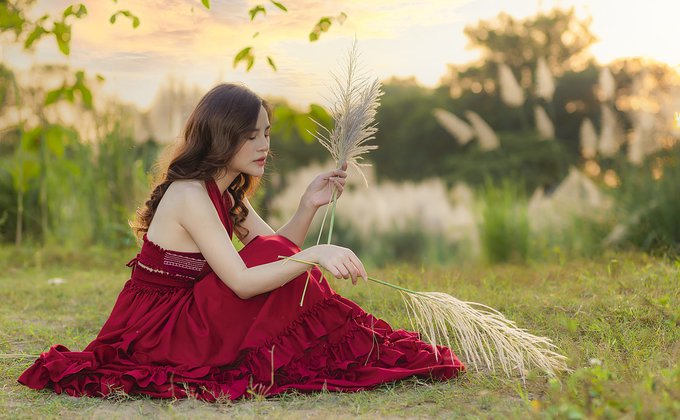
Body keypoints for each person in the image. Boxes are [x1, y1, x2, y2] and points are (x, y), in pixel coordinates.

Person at [18, 83, 464, 401]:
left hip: (192, 308)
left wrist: (309, 205)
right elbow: (245, 282)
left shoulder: (224, 189)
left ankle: (354, 343)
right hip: (159, 326)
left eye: (266, 133)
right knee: (281, 263)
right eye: (250, 135)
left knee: (277, 255)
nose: (263, 145)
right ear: (220, 136)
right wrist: (315, 256)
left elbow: (277, 251)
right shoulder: (191, 193)